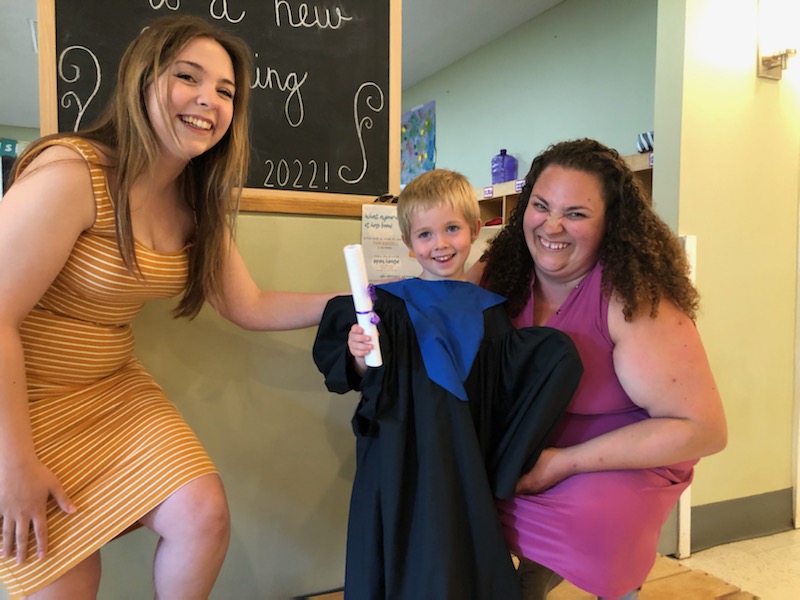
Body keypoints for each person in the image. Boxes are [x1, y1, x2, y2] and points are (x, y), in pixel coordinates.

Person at [0, 15, 335, 599]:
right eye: (188, 77)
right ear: (142, 79)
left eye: (226, 91)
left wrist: (359, 297)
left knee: (203, 514)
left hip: (109, 387)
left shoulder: (197, 201)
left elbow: (250, 304)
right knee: (70, 579)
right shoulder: (73, 173)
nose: (209, 100)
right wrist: (13, 465)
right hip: (19, 403)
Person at [468, 138, 728, 599]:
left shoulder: (634, 300)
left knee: (595, 525)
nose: (551, 225)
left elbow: (705, 430)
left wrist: (563, 463)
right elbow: (433, 312)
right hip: (528, 444)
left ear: (611, 223)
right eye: (541, 206)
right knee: (447, 494)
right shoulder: (501, 272)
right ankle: (527, 575)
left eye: (575, 213)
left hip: (620, 456)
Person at [313, 169, 584, 599]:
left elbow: (500, 390)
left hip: (461, 458)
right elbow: (367, 378)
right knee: (399, 545)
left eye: (452, 229)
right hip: (397, 456)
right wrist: (360, 354)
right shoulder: (387, 306)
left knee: (452, 553)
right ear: (408, 243)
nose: (440, 244)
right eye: (425, 234)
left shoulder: (491, 313)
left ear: (475, 229)